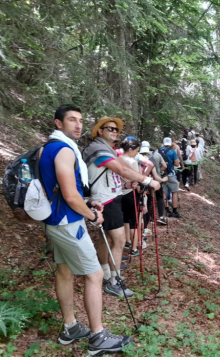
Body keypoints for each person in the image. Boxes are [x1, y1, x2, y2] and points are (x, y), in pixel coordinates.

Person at [40, 104, 132, 354]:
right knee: (95, 275)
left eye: (80, 120)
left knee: (64, 271)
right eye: (71, 120)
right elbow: (70, 196)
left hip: (55, 221)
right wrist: (92, 214)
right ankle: (98, 337)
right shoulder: (63, 151)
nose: (78, 125)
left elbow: (64, 191)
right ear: (58, 124)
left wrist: (88, 201)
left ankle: (70, 328)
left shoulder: (51, 148)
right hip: (68, 223)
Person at [82, 117, 160, 298]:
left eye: (116, 129)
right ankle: (113, 282)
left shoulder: (107, 149)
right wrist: (148, 180)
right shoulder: (98, 150)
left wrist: (128, 184)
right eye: (109, 128)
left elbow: (122, 169)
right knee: (118, 241)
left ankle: (105, 272)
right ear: (99, 131)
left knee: (106, 239)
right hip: (105, 200)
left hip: (109, 197)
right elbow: (122, 170)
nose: (114, 131)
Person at [139, 141, 168, 225]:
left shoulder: (137, 160)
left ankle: (144, 225)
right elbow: (156, 176)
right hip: (149, 185)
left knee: (143, 206)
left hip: (139, 186)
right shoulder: (150, 162)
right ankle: (146, 224)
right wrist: (163, 180)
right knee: (149, 203)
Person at [158, 137, 182, 218]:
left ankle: (167, 210)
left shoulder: (158, 151)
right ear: (171, 143)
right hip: (171, 174)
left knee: (164, 192)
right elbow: (176, 163)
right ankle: (174, 211)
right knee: (174, 192)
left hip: (162, 175)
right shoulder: (172, 151)